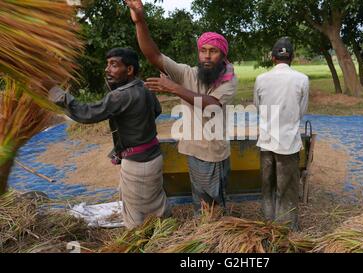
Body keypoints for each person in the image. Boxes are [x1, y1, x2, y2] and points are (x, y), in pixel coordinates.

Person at [126, 0, 237, 214]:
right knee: (199, 200)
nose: (206, 55)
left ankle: (216, 235)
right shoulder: (188, 73)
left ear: (223, 55)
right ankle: (204, 232)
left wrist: (174, 88)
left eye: (213, 51)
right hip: (192, 149)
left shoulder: (229, 80)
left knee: (213, 204)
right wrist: (140, 21)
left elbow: (211, 105)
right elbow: (154, 55)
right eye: (203, 50)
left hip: (212, 154)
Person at [45, 48, 170, 229]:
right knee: (156, 206)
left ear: (129, 70)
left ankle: (150, 244)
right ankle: (165, 234)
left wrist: (54, 91)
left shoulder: (120, 96)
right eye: (108, 64)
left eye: (114, 65)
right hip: (153, 156)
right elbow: (156, 111)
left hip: (138, 165)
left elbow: (86, 113)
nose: (107, 69)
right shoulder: (144, 87)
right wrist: (134, 134)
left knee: (137, 221)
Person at [253, 37, 309, 230]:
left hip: (267, 141)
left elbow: (258, 107)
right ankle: (285, 229)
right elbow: (301, 111)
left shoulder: (261, 79)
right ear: (291, 57)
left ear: (272, 57)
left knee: (267, 186)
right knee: (286, 189)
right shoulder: (302, 79)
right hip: (288, 143)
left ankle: (268, 224)